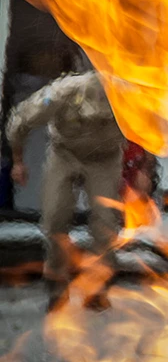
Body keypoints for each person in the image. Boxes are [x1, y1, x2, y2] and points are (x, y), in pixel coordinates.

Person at [7, 70, 127, 312]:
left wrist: (145, 170)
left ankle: (96, 287)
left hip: (105, 159)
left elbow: (149, 133)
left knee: (106, 224)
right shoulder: (63, 92)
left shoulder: (127, 96)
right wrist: (18, 162)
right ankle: (57, 287)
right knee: (55, 218)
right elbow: (20, 120)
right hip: (65, 154)